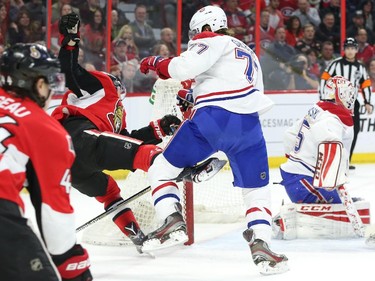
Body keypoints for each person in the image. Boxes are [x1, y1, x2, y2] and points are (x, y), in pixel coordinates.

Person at [139, 5, 289, 275]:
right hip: (249, 128)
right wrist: (195, 97)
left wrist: (156, 63)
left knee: (160, 169)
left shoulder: (212, 39)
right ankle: (262, 245)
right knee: (256, 191)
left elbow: (183, 67)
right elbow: (240, 89)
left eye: (197, 33)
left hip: (214, 120)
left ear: (207, 28)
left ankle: (172, 220)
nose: (195, 38)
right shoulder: (248, 52)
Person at [51, 13, 215, 254]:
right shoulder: (97, 86)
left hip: (71, 165)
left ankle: (137, 236)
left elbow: (126, 141)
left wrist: (158, 127)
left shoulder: (117, 113)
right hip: (78, 140)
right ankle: (186, 171)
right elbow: (70, 70)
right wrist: (70, 39)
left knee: (110, 192)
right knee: (143, 154)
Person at [0, 43, 92, 281]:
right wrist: (73, 265)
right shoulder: (44, 127)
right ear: (38, 84)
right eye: (49, 81)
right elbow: (54, 214)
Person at [275, 75, 370, 239]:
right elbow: (330, 152)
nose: (351, 98)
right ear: (339, 95)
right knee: (341, 209)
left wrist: (296, 160)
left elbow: (289, 135)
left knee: (352, 202)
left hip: (299, 176)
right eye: (348, 94)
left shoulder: (318, 110)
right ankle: (285, 218)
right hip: (303, 181)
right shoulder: (331, 119)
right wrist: (333, 179)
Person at [320, 37, 373, 170]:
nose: (350, 51)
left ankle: (346, 160)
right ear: (344, 49)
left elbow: (366, 84)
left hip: (353, 104)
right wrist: (323, 98)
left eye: (352, 48)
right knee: (335, 130)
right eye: (348, 48)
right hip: (336, 103)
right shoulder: (335, 64)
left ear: (356, 50)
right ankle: (334, 158)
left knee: (354, 131)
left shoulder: (360, 67)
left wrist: (367, 102)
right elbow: (324, 79)